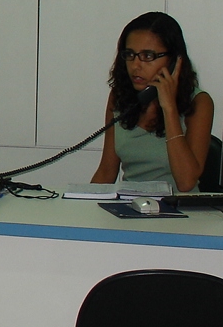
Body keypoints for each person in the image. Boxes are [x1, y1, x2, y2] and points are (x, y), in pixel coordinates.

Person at [90, 12, 214, 193]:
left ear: (174, 60)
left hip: (179, 207)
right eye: (130, 54)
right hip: (131, 205)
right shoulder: (119, 97)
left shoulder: (199, 102)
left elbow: (186, 182)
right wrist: (81, 203)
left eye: (148, 56)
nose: (136, 66)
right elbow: (106, 172)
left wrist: (169, 108)